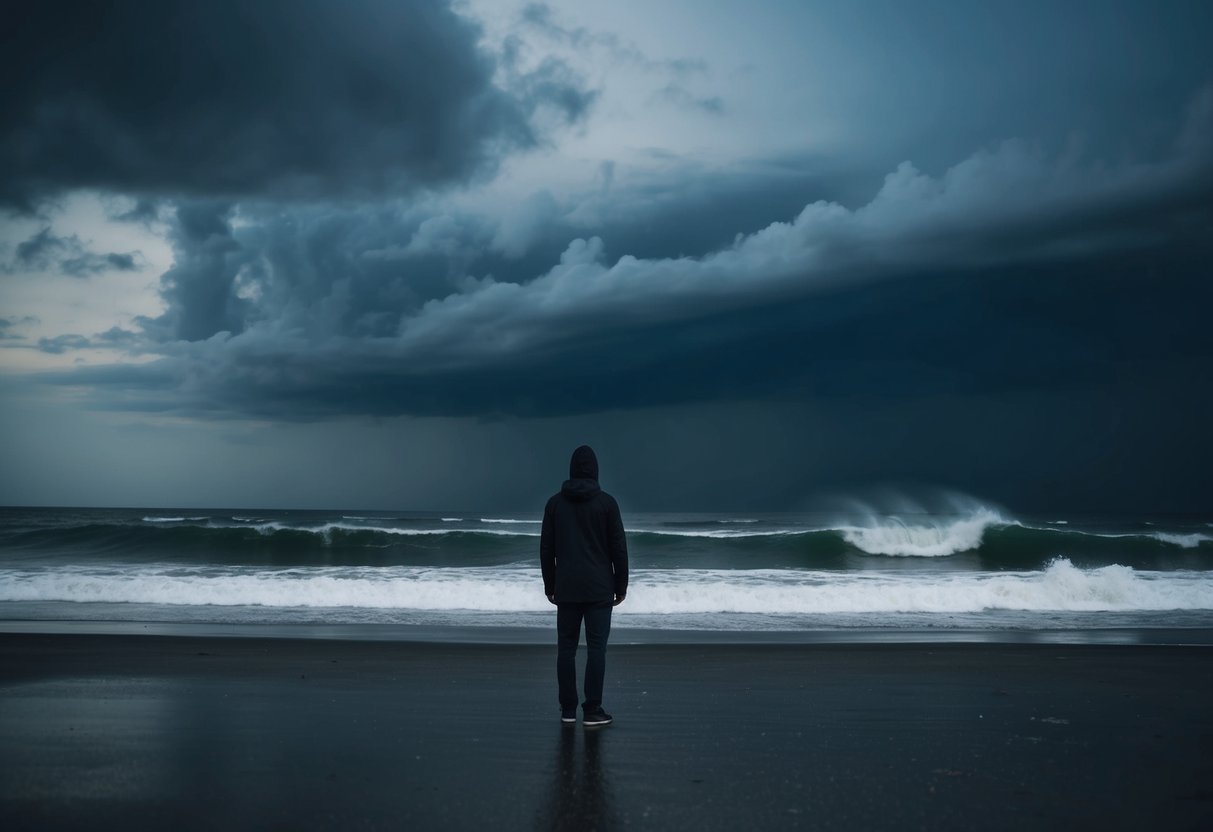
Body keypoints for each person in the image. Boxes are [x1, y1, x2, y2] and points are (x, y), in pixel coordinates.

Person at [540, 445, 628, 726]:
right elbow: (619, 549)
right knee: (596, 649)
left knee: (565, 649)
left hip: (566, 588)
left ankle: (567, 711)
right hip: (600, 588)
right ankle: (592, 710)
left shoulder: (554, 504)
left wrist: (549, 585)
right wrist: (621, 585)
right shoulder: (607, 504)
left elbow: (546, 549)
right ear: (596, 470)